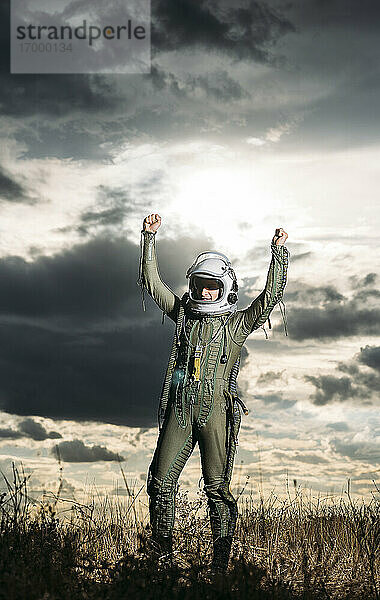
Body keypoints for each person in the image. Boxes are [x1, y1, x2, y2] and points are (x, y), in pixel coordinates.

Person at [139, 213, 289, 573]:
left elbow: (270, 298)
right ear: (193, 285)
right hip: (181, 408)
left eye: (212, 286)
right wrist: (148, 238)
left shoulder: (237, 325)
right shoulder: (184, 316)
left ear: (225, 288)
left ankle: (220, 567)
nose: (205, 292)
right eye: (200, 285)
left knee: (217, 488)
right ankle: (162, 561)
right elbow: (152, 283)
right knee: (160, 482)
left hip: (217, 411)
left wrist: (278, 254)